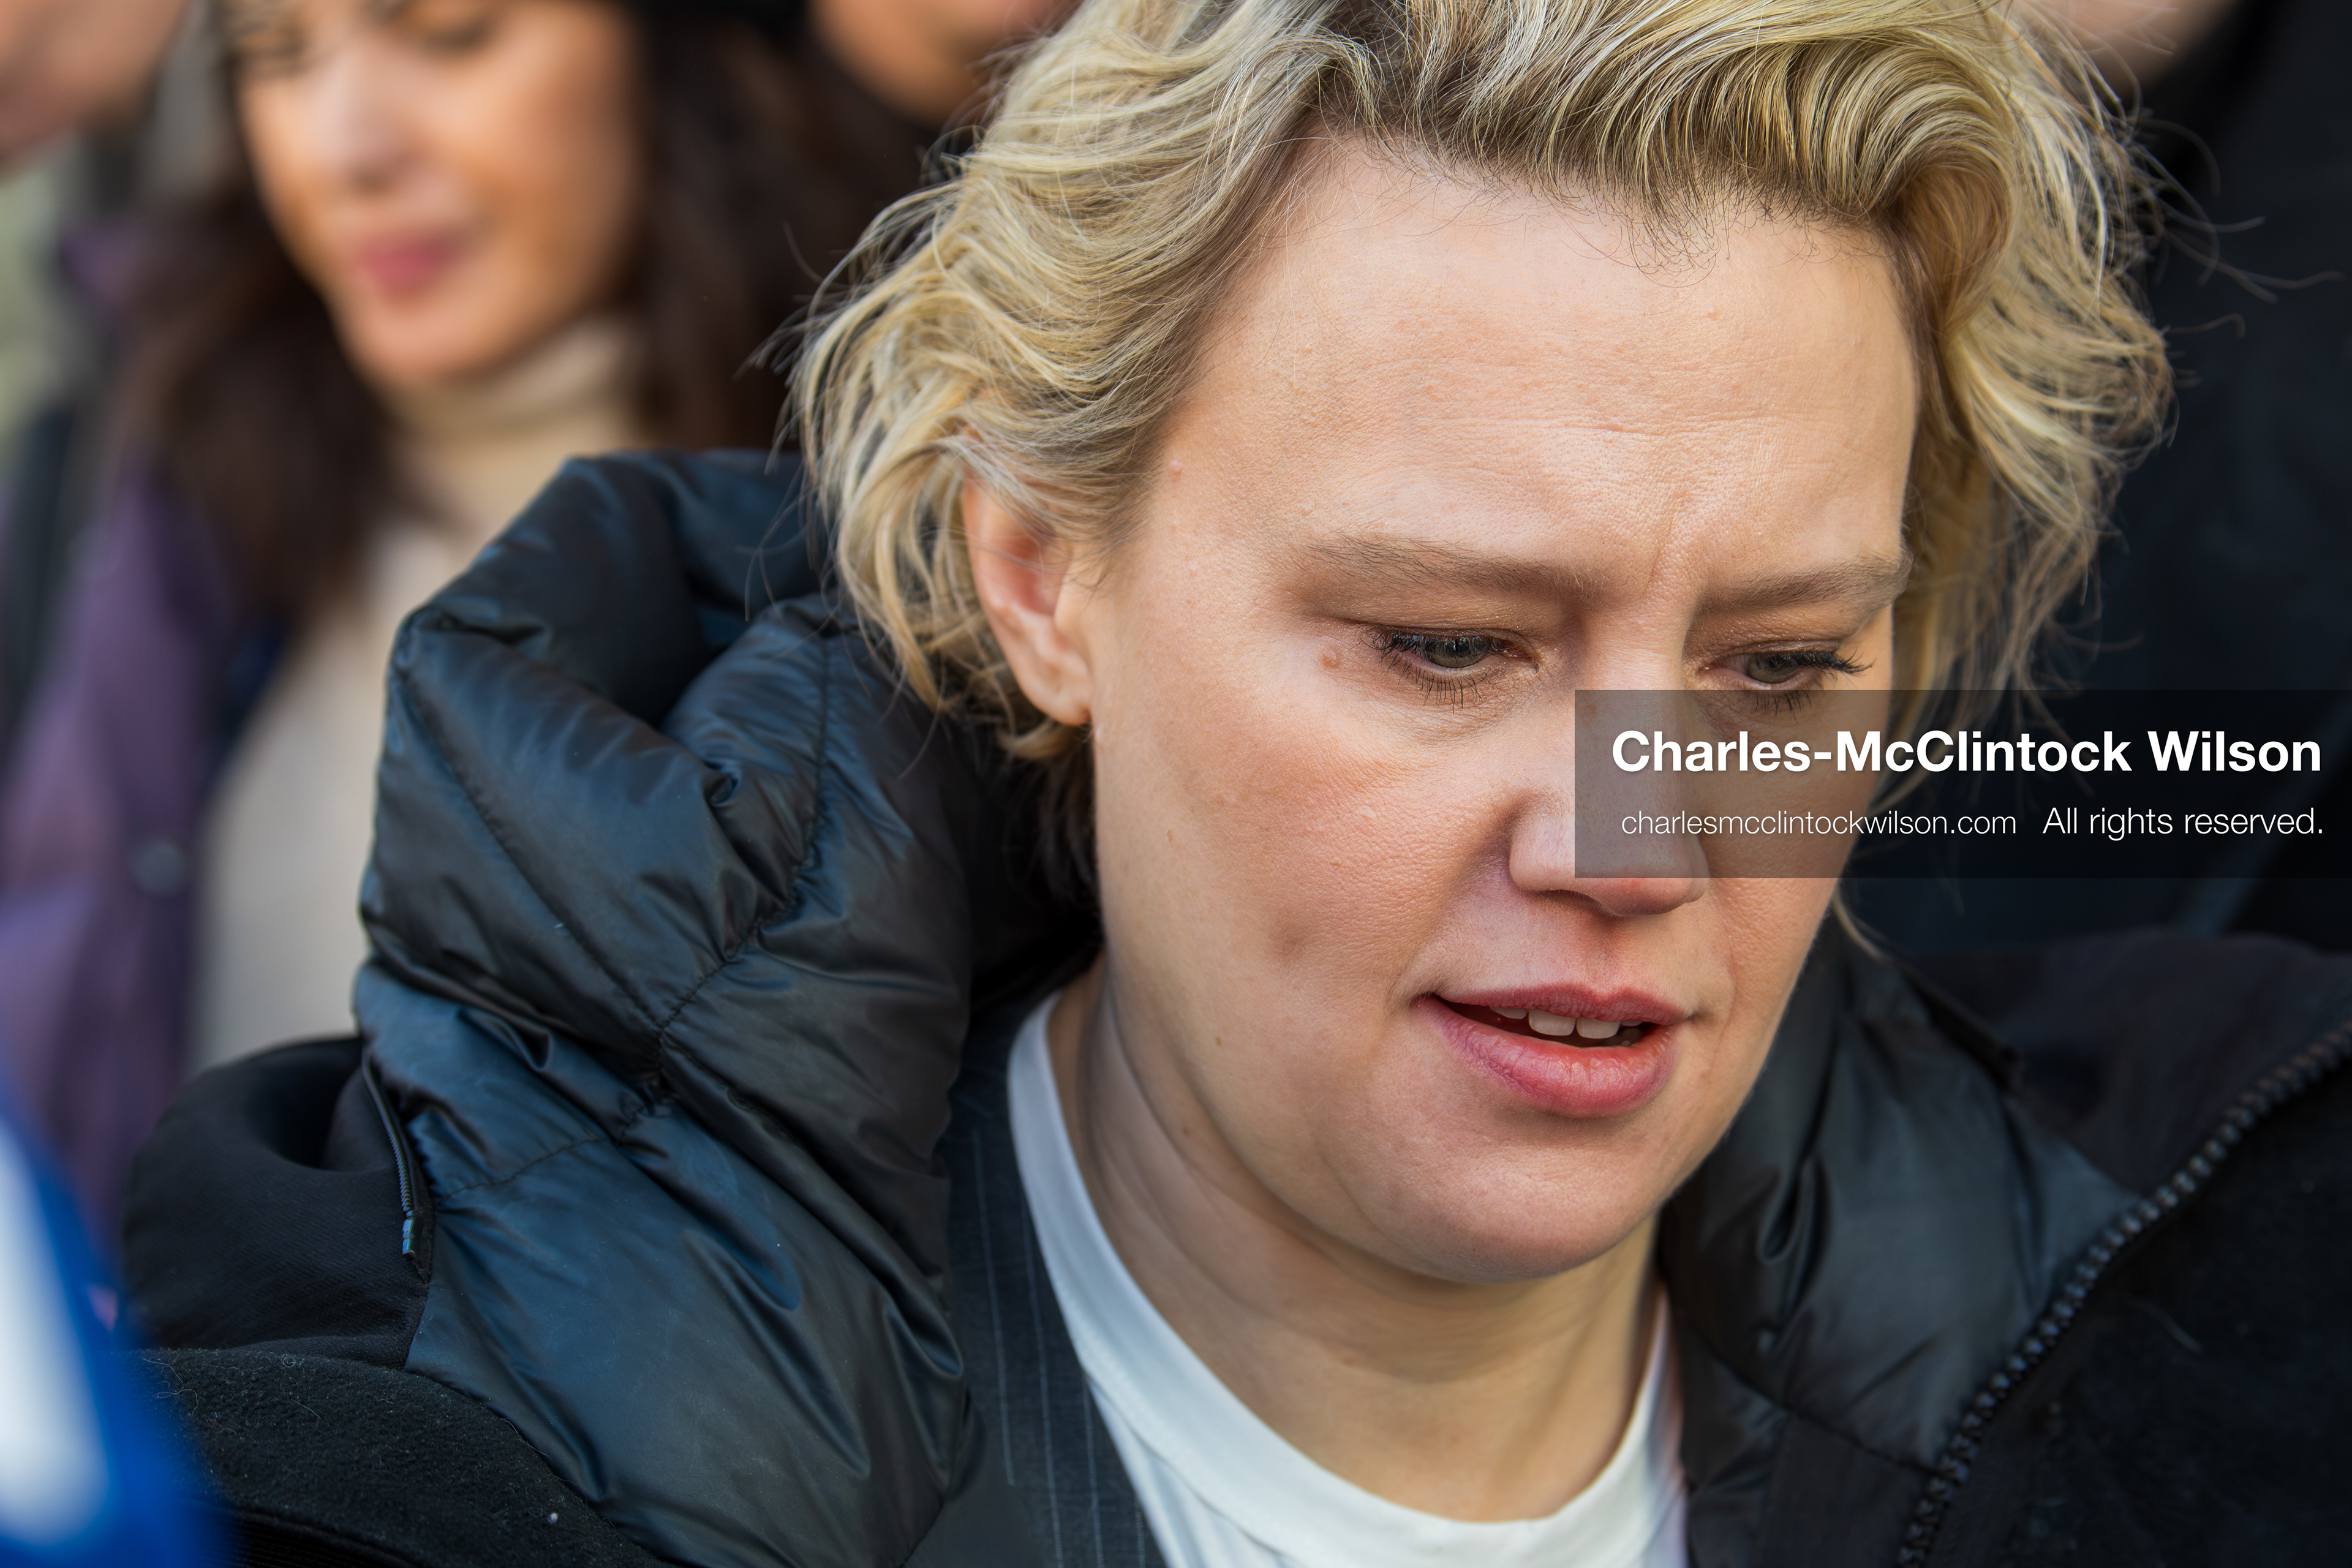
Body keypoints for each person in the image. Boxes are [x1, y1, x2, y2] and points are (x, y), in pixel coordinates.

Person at [118, 1, 2352, 1566]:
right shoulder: (424, 1446)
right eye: (1445, 647)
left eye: (1774, 674)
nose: (1632, 839)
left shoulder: (2244, 1290)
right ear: (1038, 577)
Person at [0, 0, 1066, 1228]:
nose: (344, 147)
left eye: (451, 33)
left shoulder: (925, 531)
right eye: (274, 56)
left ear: (676, 46)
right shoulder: (132, 508)